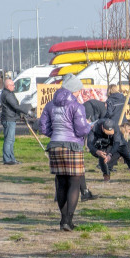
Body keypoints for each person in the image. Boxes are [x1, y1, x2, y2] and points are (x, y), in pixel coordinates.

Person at [37, 74, 92, 231]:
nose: (78, 94)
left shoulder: (50, 105)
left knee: (61, 183)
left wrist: (54, 135)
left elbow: (43, 127)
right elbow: (81, 130)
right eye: (78, 91)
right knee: (74, 183)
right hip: (72, 147)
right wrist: (89, 126)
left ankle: (63, 220)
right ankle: (68, 220)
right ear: (74, 90)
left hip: (55, 146)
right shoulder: (77, 107)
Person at [87, 116, 130, 181]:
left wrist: (110, 154)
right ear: (102, 128)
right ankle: (106, 175)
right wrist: (97, 151)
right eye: (107, 132)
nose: (109, 134)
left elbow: (117, 142)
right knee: (102, 157)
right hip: (105, 142)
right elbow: (89, 143)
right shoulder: (95, 128)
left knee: (128, 156)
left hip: (119, 142)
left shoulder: (115, 126)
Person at [0, 77, 27, 165]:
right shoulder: (7, 94)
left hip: (11, 118)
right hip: (9, 119)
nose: (14, 86)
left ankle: (12, 158)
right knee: (9, 140)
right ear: (8, 86)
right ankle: (7, 159)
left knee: (11, 140)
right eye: (12, 85)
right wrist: (26, 111)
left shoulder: (8, 93)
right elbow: (15, 105)